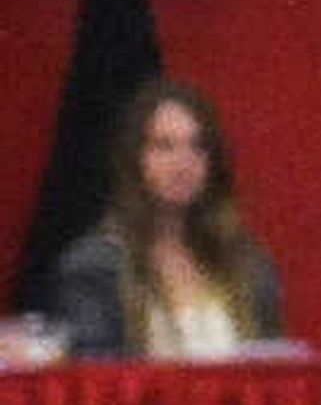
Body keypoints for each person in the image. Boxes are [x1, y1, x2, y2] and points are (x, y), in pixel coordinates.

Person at [48, 79, 286, 360]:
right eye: (164, 146)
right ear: (135, 159)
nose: (183, 163)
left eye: (197, 147)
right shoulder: (95, 267)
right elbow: (98, 383)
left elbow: (272, 370)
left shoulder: (247, 263)